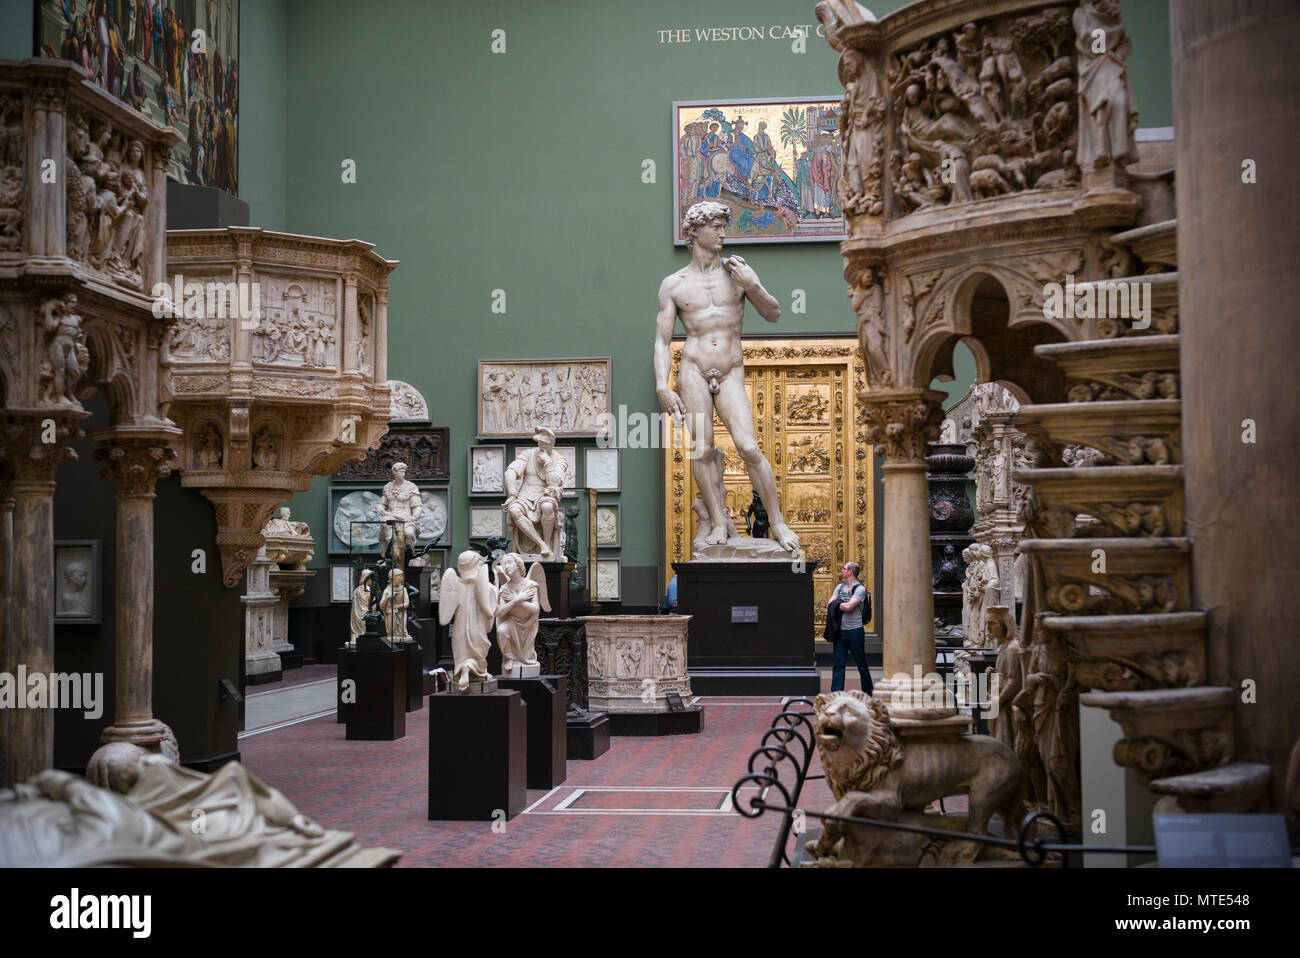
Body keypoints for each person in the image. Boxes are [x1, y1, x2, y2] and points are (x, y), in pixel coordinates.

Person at [653, 201, 799, 552]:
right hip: (693, 369)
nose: (723, 232)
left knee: (748, 446)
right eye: (715, 226)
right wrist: (662, 384)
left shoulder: (738, 273)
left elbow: (774, 313)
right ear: (694, 233)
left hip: (731, 368)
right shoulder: (674, 284)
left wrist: (754, 286)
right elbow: (660, 341)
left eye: (723, 225)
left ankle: (777, 522)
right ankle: (719, 520)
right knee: (702, 449)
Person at [827, 561, 872, 693]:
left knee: (861, 664)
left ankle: (868, 691)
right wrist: (838, 604)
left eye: (844, 569)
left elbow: (849, 607)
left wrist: (837, 604)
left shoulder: (860, 589)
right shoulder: (840, 586)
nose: (842, 571)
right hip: (840, 632)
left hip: (855, 632)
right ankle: (836, 692)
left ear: (850, 572)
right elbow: (830, 603)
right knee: (838, 664)